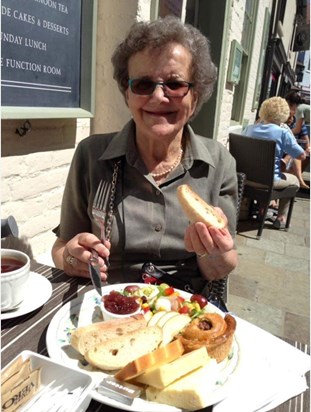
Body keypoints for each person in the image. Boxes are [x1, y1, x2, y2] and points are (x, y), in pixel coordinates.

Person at [51, 16, 238, 294]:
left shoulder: (220, 162)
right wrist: (71, 258)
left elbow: (220, 268)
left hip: (183, 308)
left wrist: (213, 254)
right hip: (109, 304)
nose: (159, 96)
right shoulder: (91, 155)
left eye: (174, 84)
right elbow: (62, 246)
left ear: (195, 96)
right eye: (143, 85)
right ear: (127, 94)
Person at [243, 96, 307, 229]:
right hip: (269, 181)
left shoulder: (249, 129)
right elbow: (301, 156)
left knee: (260, 173)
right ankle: (281, 217)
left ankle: (248, 210)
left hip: (246, 178)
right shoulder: (283, 133)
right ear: (284, 113)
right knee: (294, 180)